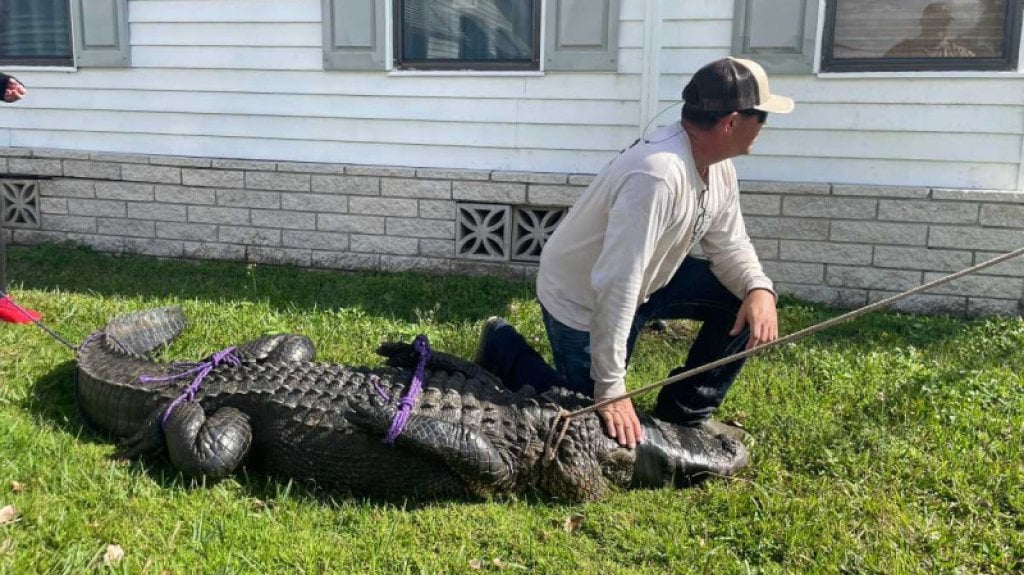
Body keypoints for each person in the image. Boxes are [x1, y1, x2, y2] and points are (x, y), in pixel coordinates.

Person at [476, 57, 792, 449]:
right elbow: (616, 280)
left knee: (744, 300)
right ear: (731, 122)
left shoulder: (718, 166)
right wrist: (609, 387)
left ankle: (684, 415)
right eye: (761, 116)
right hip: (583, 294)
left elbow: (729, 244)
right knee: (588, 422)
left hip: (649, 277)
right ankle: (502, 346)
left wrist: (759, 288)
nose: (765, 126)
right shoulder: (656, 176)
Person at [885, 2, 975, 58]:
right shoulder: (902, 51)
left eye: (945, 21)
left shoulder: (959, 54)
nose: (941, 26)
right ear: (923, 22)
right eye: (935, 21)